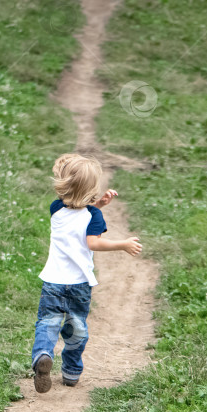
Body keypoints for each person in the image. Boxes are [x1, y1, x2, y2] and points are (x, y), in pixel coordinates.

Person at [30, 154, 142, 393]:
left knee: (48, 323)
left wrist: (98, 204)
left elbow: (76, 216)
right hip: (79, 285)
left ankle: (42, 355)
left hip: (53, 281)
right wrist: (122, 244)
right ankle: (71, 372)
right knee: (75, 327)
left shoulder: (56, 208)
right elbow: (92, 242)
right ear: (91, 190)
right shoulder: (94, 216)